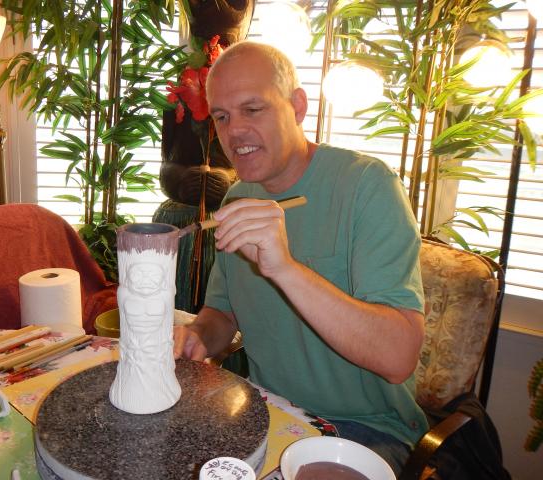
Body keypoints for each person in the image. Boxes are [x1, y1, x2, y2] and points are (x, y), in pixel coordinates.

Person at [172, 41, 429, 474]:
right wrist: (197, 335)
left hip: (364, 428)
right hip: (267, 411)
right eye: (222, 116)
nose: (234, 132)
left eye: (253, 109)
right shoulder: (238, 198)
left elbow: (398, 358)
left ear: (297, 106)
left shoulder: (366, 186)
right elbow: (223, 313)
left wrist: (284, 269)